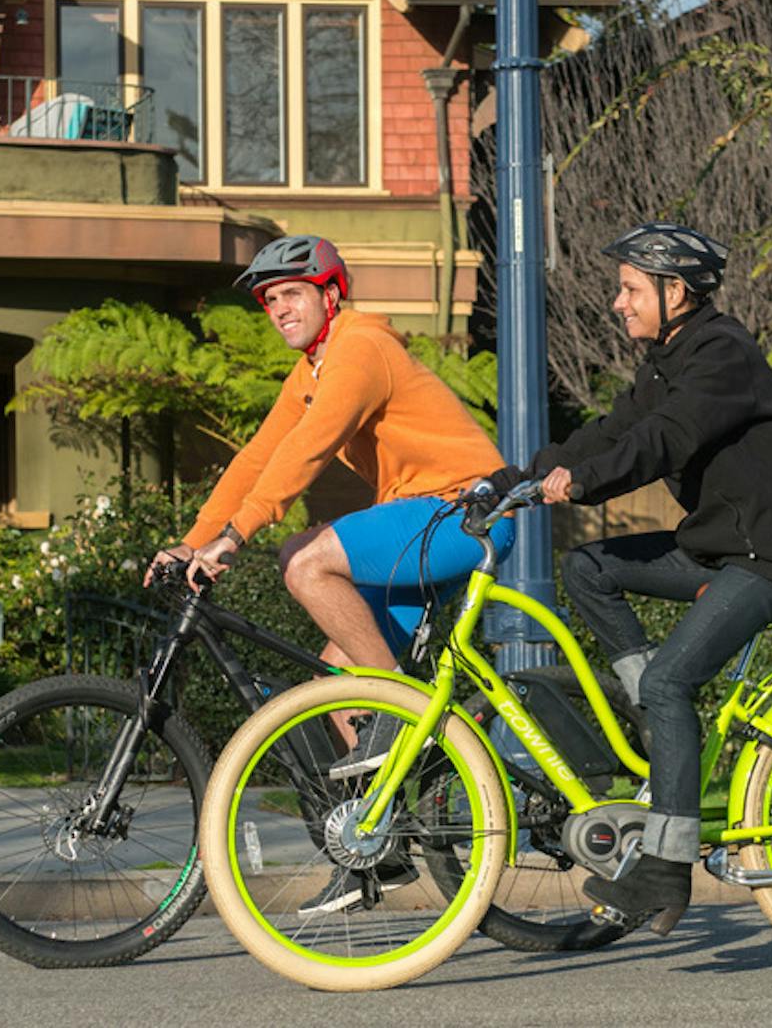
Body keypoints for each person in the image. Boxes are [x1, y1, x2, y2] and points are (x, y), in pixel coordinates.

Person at [146, 233, 513, 914]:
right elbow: (260, 457)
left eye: (290, 294)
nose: (278, 309)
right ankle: (380, 849)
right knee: (336, 681)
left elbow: (309, 451)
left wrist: (236, 535)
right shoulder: (310, 372)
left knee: (305, 559)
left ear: (329, 293)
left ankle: (399, 706)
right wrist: (192, 541)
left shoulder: (360, 347)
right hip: (419, 525)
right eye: (269, 301)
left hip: (462, 510)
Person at [493, 221, 772, 935]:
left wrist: (581, 482)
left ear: (675, 291)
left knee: (671, 680)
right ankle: (658, 721)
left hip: (770, 557)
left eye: (629, 289)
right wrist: (512, 479)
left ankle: (666, 866)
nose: (617, 303)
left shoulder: (722, 354)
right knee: (587, 566)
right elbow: (611, 430)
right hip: (718, 551)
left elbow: (662, 440)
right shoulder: (664, 362)